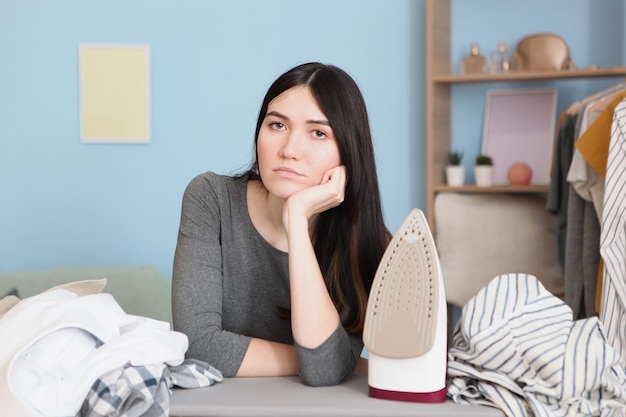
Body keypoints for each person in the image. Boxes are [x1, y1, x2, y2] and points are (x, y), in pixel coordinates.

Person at [171, 62, 389, 387]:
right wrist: (328, 358)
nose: (289, 150)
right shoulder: (211, 199)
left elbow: (324, 373)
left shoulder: (367, 241)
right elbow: (199, 346)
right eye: (277, 125)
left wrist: (297, 219)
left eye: (318, 133)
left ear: (348, 151)